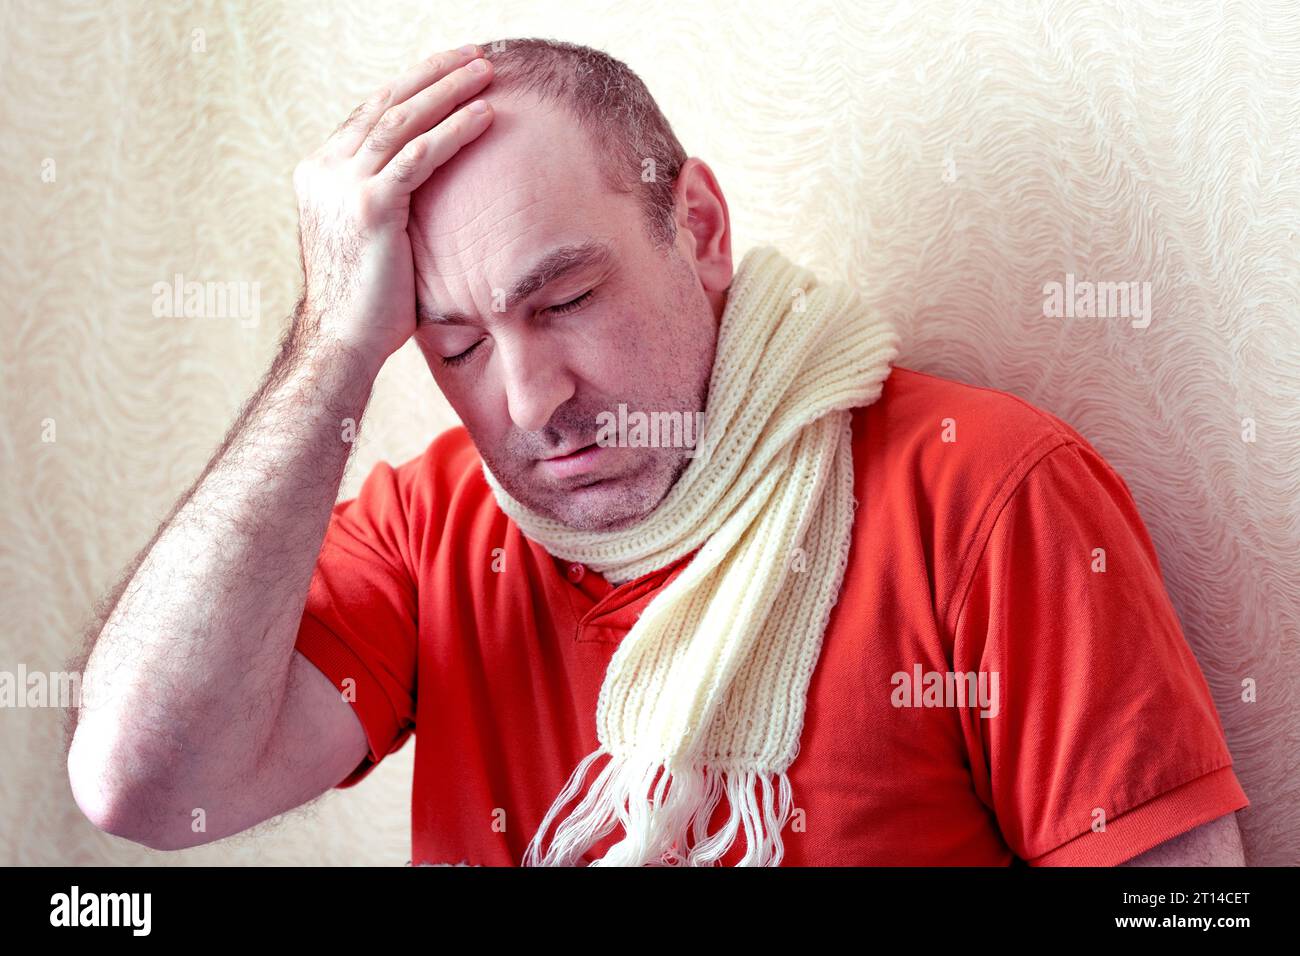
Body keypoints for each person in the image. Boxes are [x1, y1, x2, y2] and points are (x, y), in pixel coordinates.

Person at [66, 37, 1247, 866]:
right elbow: (143, 785)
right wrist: (328, 344)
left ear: (698, 227)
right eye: (456, 344)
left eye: (566, 296)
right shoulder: (434, 529)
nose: (531, 400)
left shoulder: (986, 496)